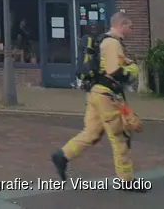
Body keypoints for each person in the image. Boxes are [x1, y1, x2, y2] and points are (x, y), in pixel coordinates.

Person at [51, 11, 144, 191]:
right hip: (107, 96)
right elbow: (115, 72)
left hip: (95, 93)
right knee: (120, 136)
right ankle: (126, 180)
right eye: (130, 27)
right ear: (121, 25)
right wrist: (132, 70)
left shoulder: (103, 41)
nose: (131, 30)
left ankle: (62, 156)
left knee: (92, 133)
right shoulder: (112, 43)